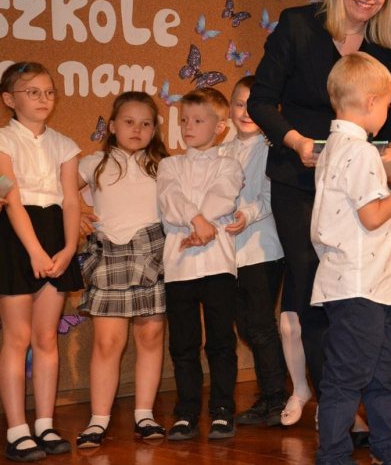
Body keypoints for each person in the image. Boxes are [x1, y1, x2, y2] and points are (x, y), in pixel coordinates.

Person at [249, 0, 391, 433]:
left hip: (360, 184)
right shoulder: (297, 25)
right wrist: (296, 141)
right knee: (314, 288)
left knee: (360, 296)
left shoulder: (389, 44)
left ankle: (352, 404)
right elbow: (260, 102)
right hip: (299, 181)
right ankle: (338, 411)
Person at [310, 52, 391, 465]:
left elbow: (359, 212)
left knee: (384, 371)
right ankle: (333, 456)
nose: (388, 114)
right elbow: (371, 217)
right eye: (387, 105)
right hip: (359, 284)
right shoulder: (362, 152)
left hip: (367, 284)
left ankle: (388, 449)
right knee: (347, 377)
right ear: (371, 102)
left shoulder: (333, 148)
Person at [75, 91, 170, 448]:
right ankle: (98, 420)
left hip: (151, 254)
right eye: (129, 122)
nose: (137, 129)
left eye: (145, 124)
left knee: (151, 336)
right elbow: (60, 190)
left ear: (154, 130)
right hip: (110, 255)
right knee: (107, 342)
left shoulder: (163, 166)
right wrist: (78, 212)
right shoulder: (94, 164)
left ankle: (144, 415)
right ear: (113, 126)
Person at [0, 62, 82, 462]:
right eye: (32, 92)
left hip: (55, 233)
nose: (43, 99)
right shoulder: (3, 139)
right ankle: (17, 429)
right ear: (9, 99)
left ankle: (45, 423)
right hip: (17, 236)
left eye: (49, 92)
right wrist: (33, 250)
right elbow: (11, 198)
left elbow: (71, 200)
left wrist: (68, 248)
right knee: (17, 337)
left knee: (46, 336)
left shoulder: (65, 144)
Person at [156, 87, 244, 441]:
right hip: (179, 265)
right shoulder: (169, 165)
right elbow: (170, 198)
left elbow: (224, 195)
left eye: (197, 120)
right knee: (183, 344)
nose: (188, 127)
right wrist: (198, 222)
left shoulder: (229, 164)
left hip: (218, 264)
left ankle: (222, 410)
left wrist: (200, 225)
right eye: (184, 120)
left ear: (220, 126)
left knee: (221, 341)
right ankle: (186, 412)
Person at [220, 76, 289, 427]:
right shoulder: (222, 149)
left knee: (260, 325)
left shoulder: (270, 147)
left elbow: (269, 195)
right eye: (239, 104)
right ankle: (270, 394)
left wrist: (245, 215)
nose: (246, 112)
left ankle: (276, 398)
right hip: (230, 253)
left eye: (253, 105)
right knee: (245, 326)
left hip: (263, 249)